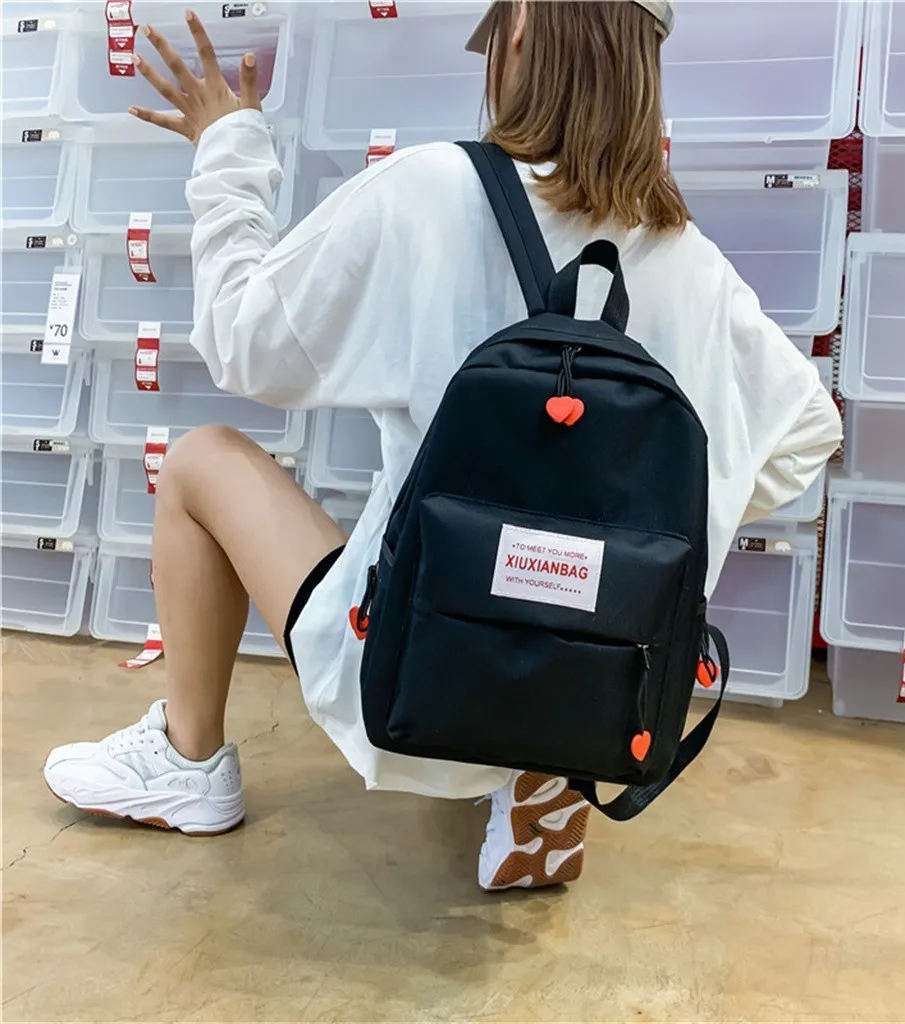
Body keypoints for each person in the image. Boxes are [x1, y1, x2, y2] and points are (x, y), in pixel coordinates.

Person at [43, 0, 843, 891]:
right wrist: (641, 537)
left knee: (201, 458)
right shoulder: (682, 255)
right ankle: (540, 767)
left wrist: (227, 148)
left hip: (410, 682)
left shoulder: (430, 192)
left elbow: (243, 342)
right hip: (593, 697)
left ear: (523, 27)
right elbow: (808, 431)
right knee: (568, 584)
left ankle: (188, 762)